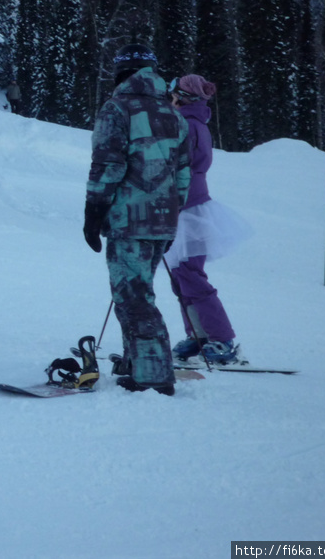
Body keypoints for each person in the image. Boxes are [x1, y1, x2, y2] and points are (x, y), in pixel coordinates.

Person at [83, 43, 191, 395]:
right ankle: (137, 362)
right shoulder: (173, 114)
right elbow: (184, 174)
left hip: (129, 220)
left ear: (120, 72)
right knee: (138, 291)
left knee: (133, 298)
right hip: (162, 221)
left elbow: (108, 165)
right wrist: (172, 214)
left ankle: (154, 374)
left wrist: (93, 212)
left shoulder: (117, 109)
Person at [165, 74, 252, 364]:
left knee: (190, 275)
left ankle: (222, 340)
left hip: (189, 209)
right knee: (182, 277)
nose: (168, 99)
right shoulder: (191, 122)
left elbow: (177, 165)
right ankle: (199, 336)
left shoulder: (187, 125)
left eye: (172, 94)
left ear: (182, 97)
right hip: (184, 207)